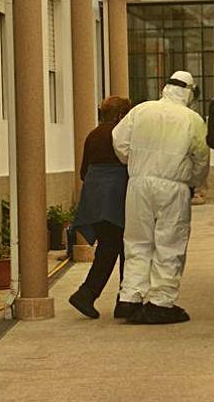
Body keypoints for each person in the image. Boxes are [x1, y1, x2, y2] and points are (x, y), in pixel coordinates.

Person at [112, 71, 210, 324]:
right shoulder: (193, 119)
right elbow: (201, 157)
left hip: (138, 184)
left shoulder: (141, 110)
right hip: (173, 186)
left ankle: (130, 298)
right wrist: (194, 182)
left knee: (137, 242)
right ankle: (161, 303)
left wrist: (134, 163)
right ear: (189, 92)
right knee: (169, 244)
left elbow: (119, 141)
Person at [68, 96, 132, 319]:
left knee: (109, 246)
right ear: (120, 115)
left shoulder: (93, 135)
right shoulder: (121, 133)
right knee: (126, 248)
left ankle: (91, 294)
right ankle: (121, 300)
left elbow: (84, 171)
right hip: (116, 199)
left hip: (95, 200)